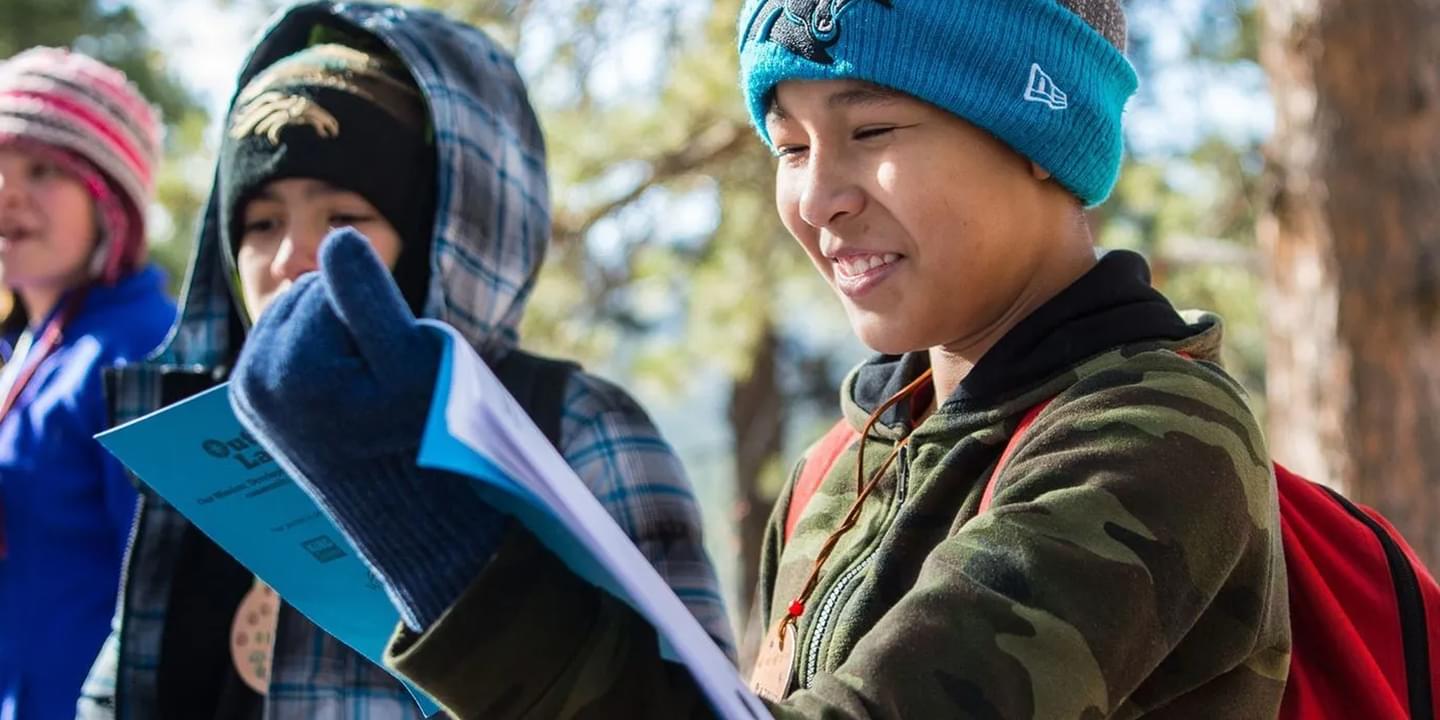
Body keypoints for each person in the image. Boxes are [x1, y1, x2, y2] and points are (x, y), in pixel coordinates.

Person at [230, 0, 1294, 717]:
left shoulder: (1154, 439)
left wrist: (450, 559)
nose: (818, 198)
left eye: (871, 128)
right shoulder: (842, 465)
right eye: (788, 146)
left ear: (1040, 136)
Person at [76, 4, 731, 719]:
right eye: (261, 223)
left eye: (344, 221)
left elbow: (686, 700)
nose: (291, 258)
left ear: (441, 235)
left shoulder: (576, 427)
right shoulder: (202, 453)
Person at [0, 47, 173, 720]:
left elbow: (166, 599)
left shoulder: (140, 352)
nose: (8, 194)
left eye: (43, 169)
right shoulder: (26, 349)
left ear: (112, 199)